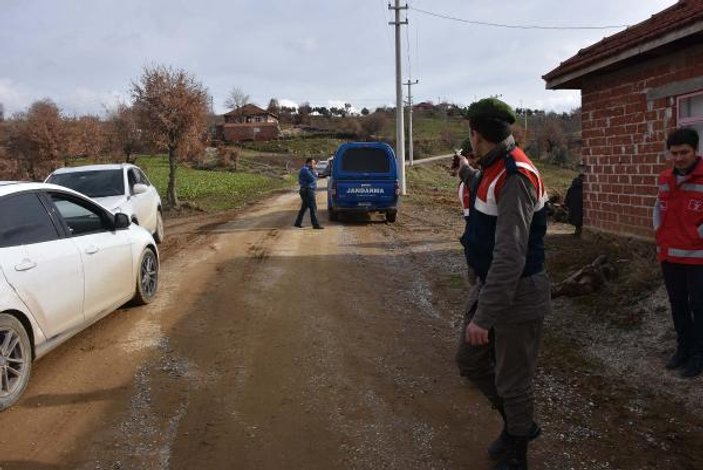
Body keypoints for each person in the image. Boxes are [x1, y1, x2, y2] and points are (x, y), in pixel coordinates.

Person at [454, 98, 551, 470]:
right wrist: (465, 172)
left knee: (513, 380)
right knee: (469, 360)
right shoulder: (495, 167)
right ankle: (518, 426)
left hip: (518, 293)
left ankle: (518, 449)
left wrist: (485, 317)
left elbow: (511, 255)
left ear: (476, 134)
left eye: (471, 133)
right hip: (492, 285)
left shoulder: (516, 175)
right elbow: (483, 186)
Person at [654, 127, 703, 378]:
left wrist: (696, 237)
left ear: (695, 150)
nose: (679, 158)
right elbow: (658, 210)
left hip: (698, 257)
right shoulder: (664, 178)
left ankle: (698, 355)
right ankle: (683, 349)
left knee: (699, 306)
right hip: (670, 255)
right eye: (674, 153)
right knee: (677, 304)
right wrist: (659, 234)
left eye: (684, 152)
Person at [294, 158, 323, 229]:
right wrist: (315, 173)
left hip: (307, 190)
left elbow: (315, 176)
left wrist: (315, 173)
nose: (315, 165)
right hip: (307, 190)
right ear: (308, 163)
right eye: (313, 163)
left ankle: (297, 222)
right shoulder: (305, 170)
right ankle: (315, 225)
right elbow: (312, 178)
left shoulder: (309, 170)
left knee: (304, 207)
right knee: (313, 207)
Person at [564, 172, 585, 237]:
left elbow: (568, 196)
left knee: (575, 219)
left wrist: (566, 203)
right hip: (581, 206)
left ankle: (577, 232)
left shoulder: (572, 187)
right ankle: (579, 232)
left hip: (573, 206)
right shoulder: (584, 187)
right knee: (580, 219)